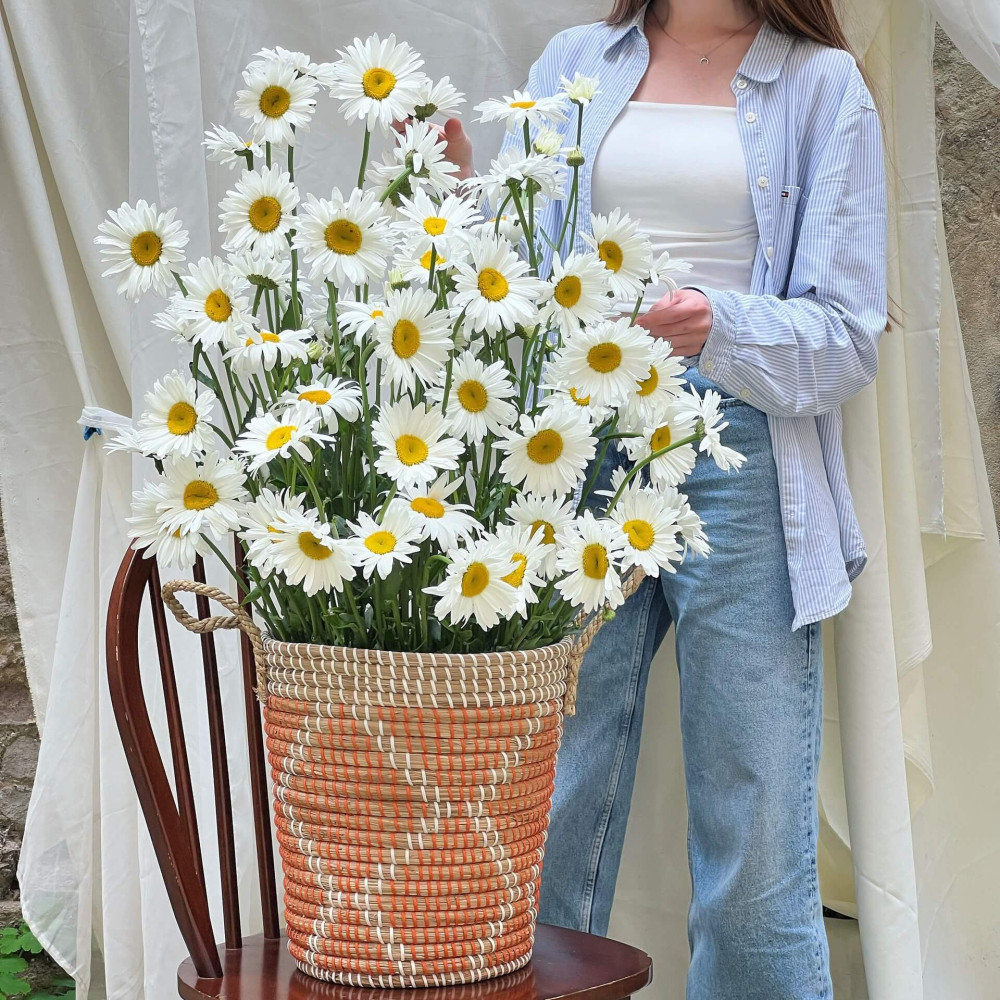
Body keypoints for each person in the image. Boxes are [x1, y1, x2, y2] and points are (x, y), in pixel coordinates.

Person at [436, 2, 887, 996]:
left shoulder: (822, 88)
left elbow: (850, 333)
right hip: (574, 443)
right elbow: (516, 288)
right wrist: (458, 191)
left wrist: (716, 324)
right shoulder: (575, 62)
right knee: (549, 792)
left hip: (740, 445)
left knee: (752, 808)